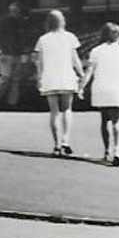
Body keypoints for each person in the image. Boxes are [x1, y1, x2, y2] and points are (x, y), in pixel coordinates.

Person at [81, 21, 119, 167]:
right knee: (117, 121)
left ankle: (107, 151)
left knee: (104, 120)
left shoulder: (96, 51)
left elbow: (89, 72)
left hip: (101, 89)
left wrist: (81, 87)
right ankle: (117, 152)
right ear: (117, 36)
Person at [33, 9, 84, 157]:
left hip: (50, 77)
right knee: (67, 109)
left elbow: (39, 62)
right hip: (67, 76)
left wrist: (39, 77)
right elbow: (75, 59)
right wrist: (81, 74)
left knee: (54, 111)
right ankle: (65, 141)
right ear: (63, 21)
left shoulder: (43, 39)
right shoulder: (70, 37)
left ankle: (56, 145)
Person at [0, 1, 29, 109]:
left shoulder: (19, 22)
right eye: (13, 10)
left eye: (16, 10)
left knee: (13, 79)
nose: (15, 12)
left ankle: (11, 103)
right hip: (6, 53)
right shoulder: (5, 22)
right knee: (6, 77)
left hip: (15, 53)